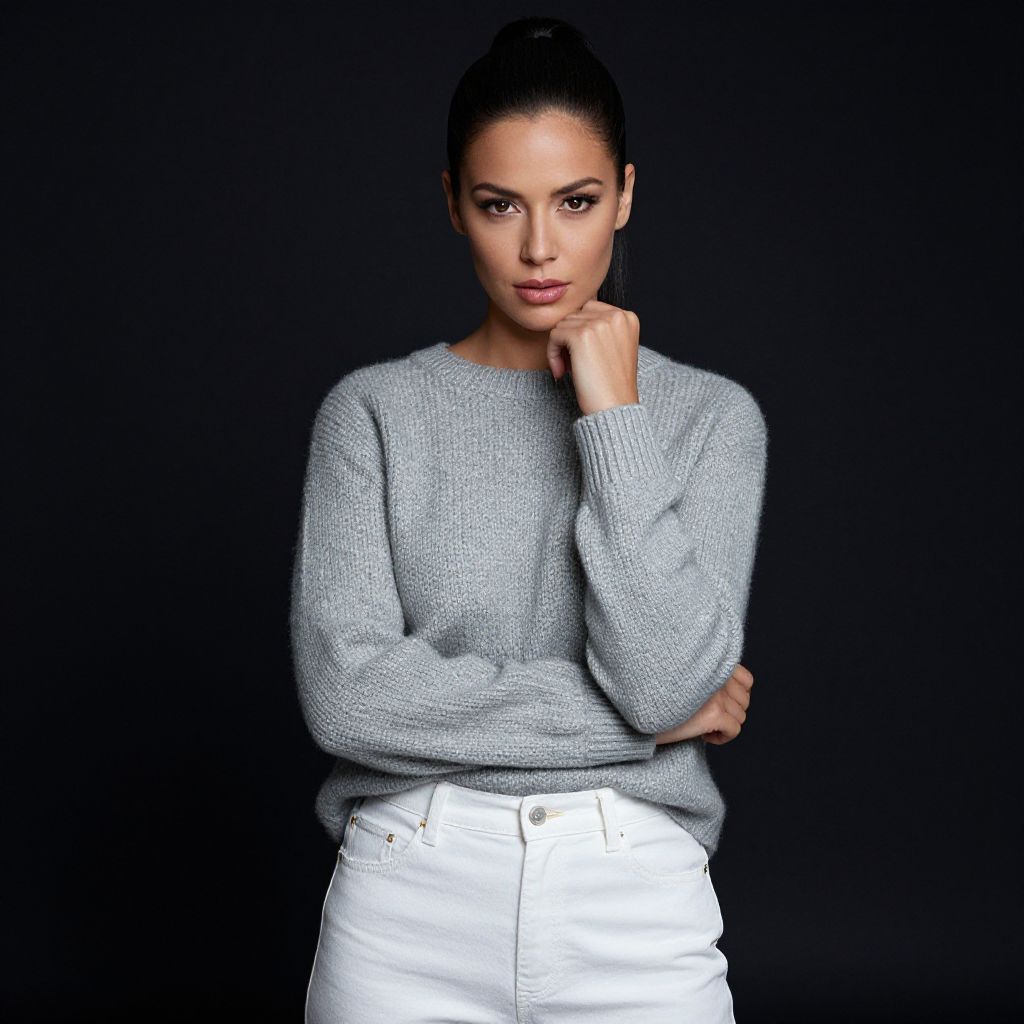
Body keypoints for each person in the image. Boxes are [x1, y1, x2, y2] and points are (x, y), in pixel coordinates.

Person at [291, 15, 768, 1023]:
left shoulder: (711, 420)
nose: (541, 247)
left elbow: (660, 675)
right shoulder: (372, 414)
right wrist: (644, 730)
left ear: (626, 195)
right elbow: (347, 700)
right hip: (406, 897)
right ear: (454, 206)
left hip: (632, 898)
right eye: (500, 203)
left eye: (577, 201)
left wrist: (614, 414)